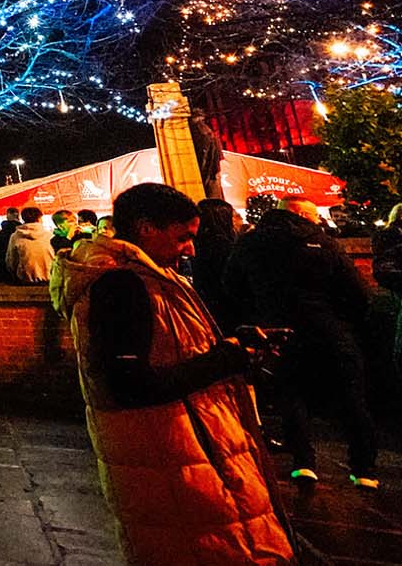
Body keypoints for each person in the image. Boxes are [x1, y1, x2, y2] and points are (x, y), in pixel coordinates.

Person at [55, 183, 291, 564]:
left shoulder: (153, 276)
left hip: (189, 447)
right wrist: (225, 360)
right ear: (147, 228)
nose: (191, 249)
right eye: (183, 237)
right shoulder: (121, 284)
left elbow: (171, 348)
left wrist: (233, 345)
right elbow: (130, 384)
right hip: (170, 454)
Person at [226, 196, 378, 490]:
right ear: (299, 214)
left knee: (290, 395)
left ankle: (304, 463)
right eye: (312, 215)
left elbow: (231, 285)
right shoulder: (323, 243)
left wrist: (259, 314)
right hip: (328, 329)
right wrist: (343, 320)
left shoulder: (250, 242)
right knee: (352, 397)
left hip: (277, 331)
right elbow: (357, 292)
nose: (317, 220)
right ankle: (363, 468)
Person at [190, 199, 243, 333]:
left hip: (210, 310)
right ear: (223, 218)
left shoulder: (198, 245)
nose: (238, 220)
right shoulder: (225, 247)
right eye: (233, 215)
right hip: (230, 311)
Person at [6, 206, 55, 284]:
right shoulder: (49, 235)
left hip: (24, 277)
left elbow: (11, 260)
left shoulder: (15, 236)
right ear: (39, 218)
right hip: (49, 276)